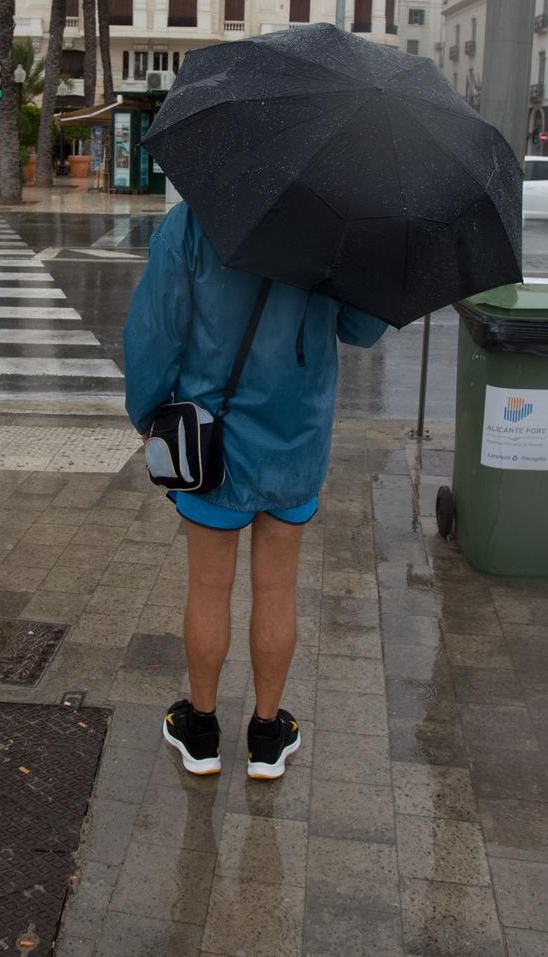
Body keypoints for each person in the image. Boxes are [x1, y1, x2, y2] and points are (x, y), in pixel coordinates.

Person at [124, 201, 386, 779]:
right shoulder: (334, 223)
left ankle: (201, 728)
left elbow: (156, 329)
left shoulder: (193, 220)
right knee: (278, 590)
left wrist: (147, 412)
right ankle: (268, 735)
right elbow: (362, 328)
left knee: (208, 587)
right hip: (297, 440)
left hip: (211, 438)